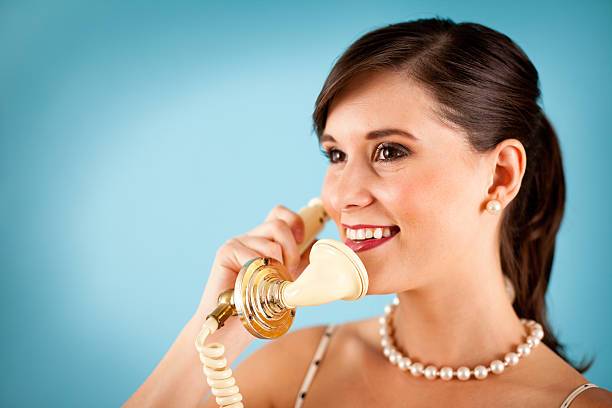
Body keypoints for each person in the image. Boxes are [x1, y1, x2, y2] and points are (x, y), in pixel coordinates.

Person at [125, 18, 612, 407]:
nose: (344, 197)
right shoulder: (294, 370)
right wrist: (214, 334)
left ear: (501, 175)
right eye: (336, 155)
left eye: (390, 152)